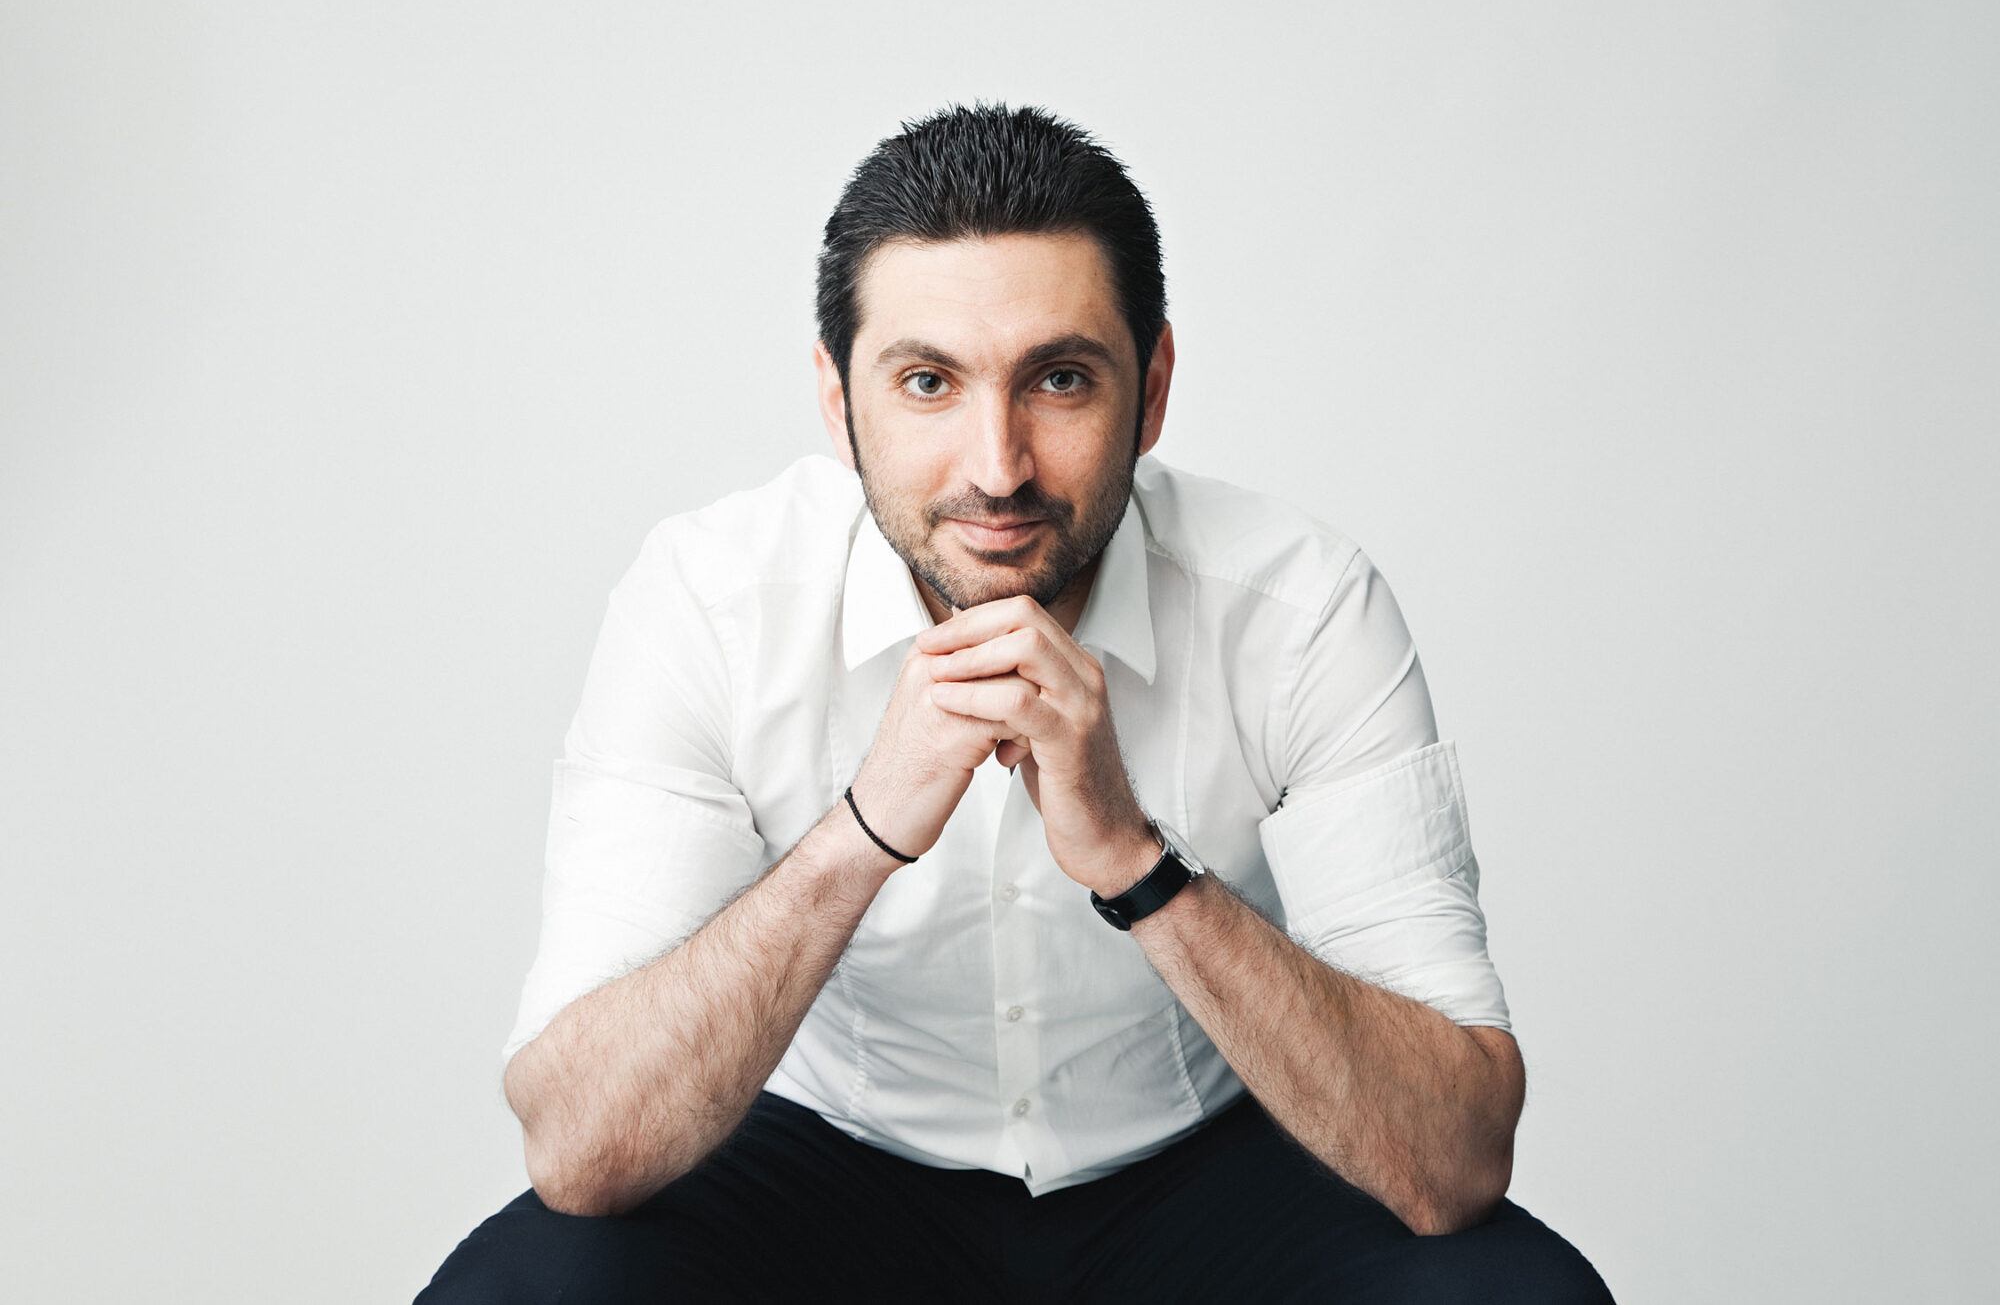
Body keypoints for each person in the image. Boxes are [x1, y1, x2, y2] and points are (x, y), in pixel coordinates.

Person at [419, 103, 1613, 1303]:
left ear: (1149, 393)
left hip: (1202, 1172)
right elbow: (574, 1147)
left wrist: (1138, 866)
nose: (997, 468)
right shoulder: (708, 601)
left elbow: (1456, 1157)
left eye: (1058, 379)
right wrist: (862, 829)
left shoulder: (1300, 610)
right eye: (928, 381)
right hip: (827, 1174)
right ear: (839, 404)